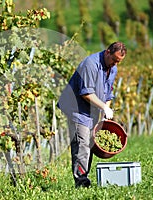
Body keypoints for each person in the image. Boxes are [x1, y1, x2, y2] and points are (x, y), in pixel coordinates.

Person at [57, 42, 127, 188]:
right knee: (82, 144)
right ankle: (81, 183)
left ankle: (83, 178)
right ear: (107, 52)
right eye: (114, 60)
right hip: (76, 108)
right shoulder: (90, 64)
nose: (115, 64)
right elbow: (86, 93)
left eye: (118, 62)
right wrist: (102, 107)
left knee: (90, 143)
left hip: (92, 110)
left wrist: (105, 111)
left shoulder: (112, 68)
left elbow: (108, 94)